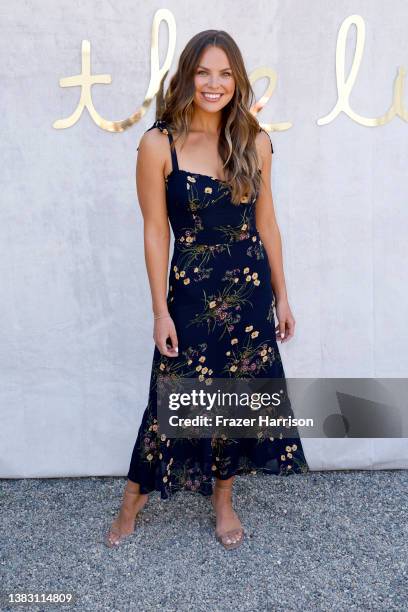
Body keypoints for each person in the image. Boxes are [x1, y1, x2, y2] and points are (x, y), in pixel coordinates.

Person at [105, 29, 309, 550]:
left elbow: (268, 224)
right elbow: (155, 231)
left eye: (224, 73)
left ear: (237, 79)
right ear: (187, 76)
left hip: (249, 292)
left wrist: (283, 296)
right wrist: (159, 311)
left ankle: (223, 500)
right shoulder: (158, 143)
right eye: (203, 72)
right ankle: (133, 498)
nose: (214, 83)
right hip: (191, 295)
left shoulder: (254, 140)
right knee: (172, 402)